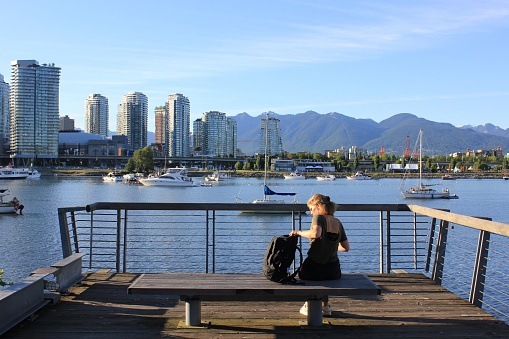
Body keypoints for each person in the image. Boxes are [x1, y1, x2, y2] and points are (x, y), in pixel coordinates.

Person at [289, 193, 350, 316]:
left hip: (313, 268)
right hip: (333, 270)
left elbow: (315, 233)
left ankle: (308, 305)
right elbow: (345, 247)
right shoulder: (337, 222)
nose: (311, 213)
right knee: (324, 279)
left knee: (305, 273)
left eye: (311, 209)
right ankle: (325, 306)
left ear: (317, 205)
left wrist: (298, 232)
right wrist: (330, 245)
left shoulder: (319, 218)